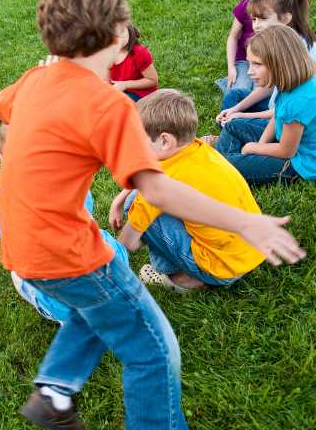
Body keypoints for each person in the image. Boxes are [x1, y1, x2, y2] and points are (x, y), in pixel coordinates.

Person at [0, 0, 304, 430]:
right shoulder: (104, 103)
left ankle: (56, 389)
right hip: (69, 252)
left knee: (103, 301)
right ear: (117, 36)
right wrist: (248, 221)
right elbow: (157, 188)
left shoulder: (36, 80)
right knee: (153, 348)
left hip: (22, 250)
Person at [0, 125, 128, 323]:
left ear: (2, 158)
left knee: (18, 272)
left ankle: (71, 316)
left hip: (70, 300)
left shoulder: (6, 193)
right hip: (117, 269)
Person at [109, 90, 264, 292]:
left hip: (221, 268)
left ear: (165, 141)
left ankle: (176, 276)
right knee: (133, 201)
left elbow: (125, 244)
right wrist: (118, 200)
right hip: (251, 250)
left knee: (140, 212)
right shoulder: (198, 148)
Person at [213, 26, 316, 184]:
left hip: (298, 162)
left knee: (226, 166)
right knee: (232, 125)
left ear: (281, 63)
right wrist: (260, 146)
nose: (249, 71)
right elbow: (276, 117)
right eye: (249, 63)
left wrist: (251, 148)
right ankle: (224, 159)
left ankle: (221, 165)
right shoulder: (291, 83)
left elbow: (286, 150)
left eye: (257, 64)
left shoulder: (298, 101)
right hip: (285, 141)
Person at [217, 0, 308, 111]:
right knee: (239, 92)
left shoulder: (290, 35)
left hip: (278, 98)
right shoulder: (249, 5)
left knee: (254, 95)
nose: (256, 25)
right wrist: (231, 67)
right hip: (248, 63)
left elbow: (282, 91)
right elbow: (233, 36)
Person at [217, 0, 315, 125]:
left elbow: (284, 111)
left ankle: (228, 137)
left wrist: (241, 116)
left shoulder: (295, 51)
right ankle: (228, 132)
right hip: (274, 107)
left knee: (236, 124)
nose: (256, 25)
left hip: (286, 123)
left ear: (285, 19)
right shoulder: (276, 42)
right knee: (234, 97)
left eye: (262, 18)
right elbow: (269, 88)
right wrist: (236, 109)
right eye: (254, 19)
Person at [108, 23, 158, 101]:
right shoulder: (104, 53)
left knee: (117, 103)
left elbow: (152, 80)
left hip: (141, 94)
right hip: (116, 91)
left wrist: (125, 85)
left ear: (129, 30)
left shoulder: (139, 53)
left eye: (121, 31)